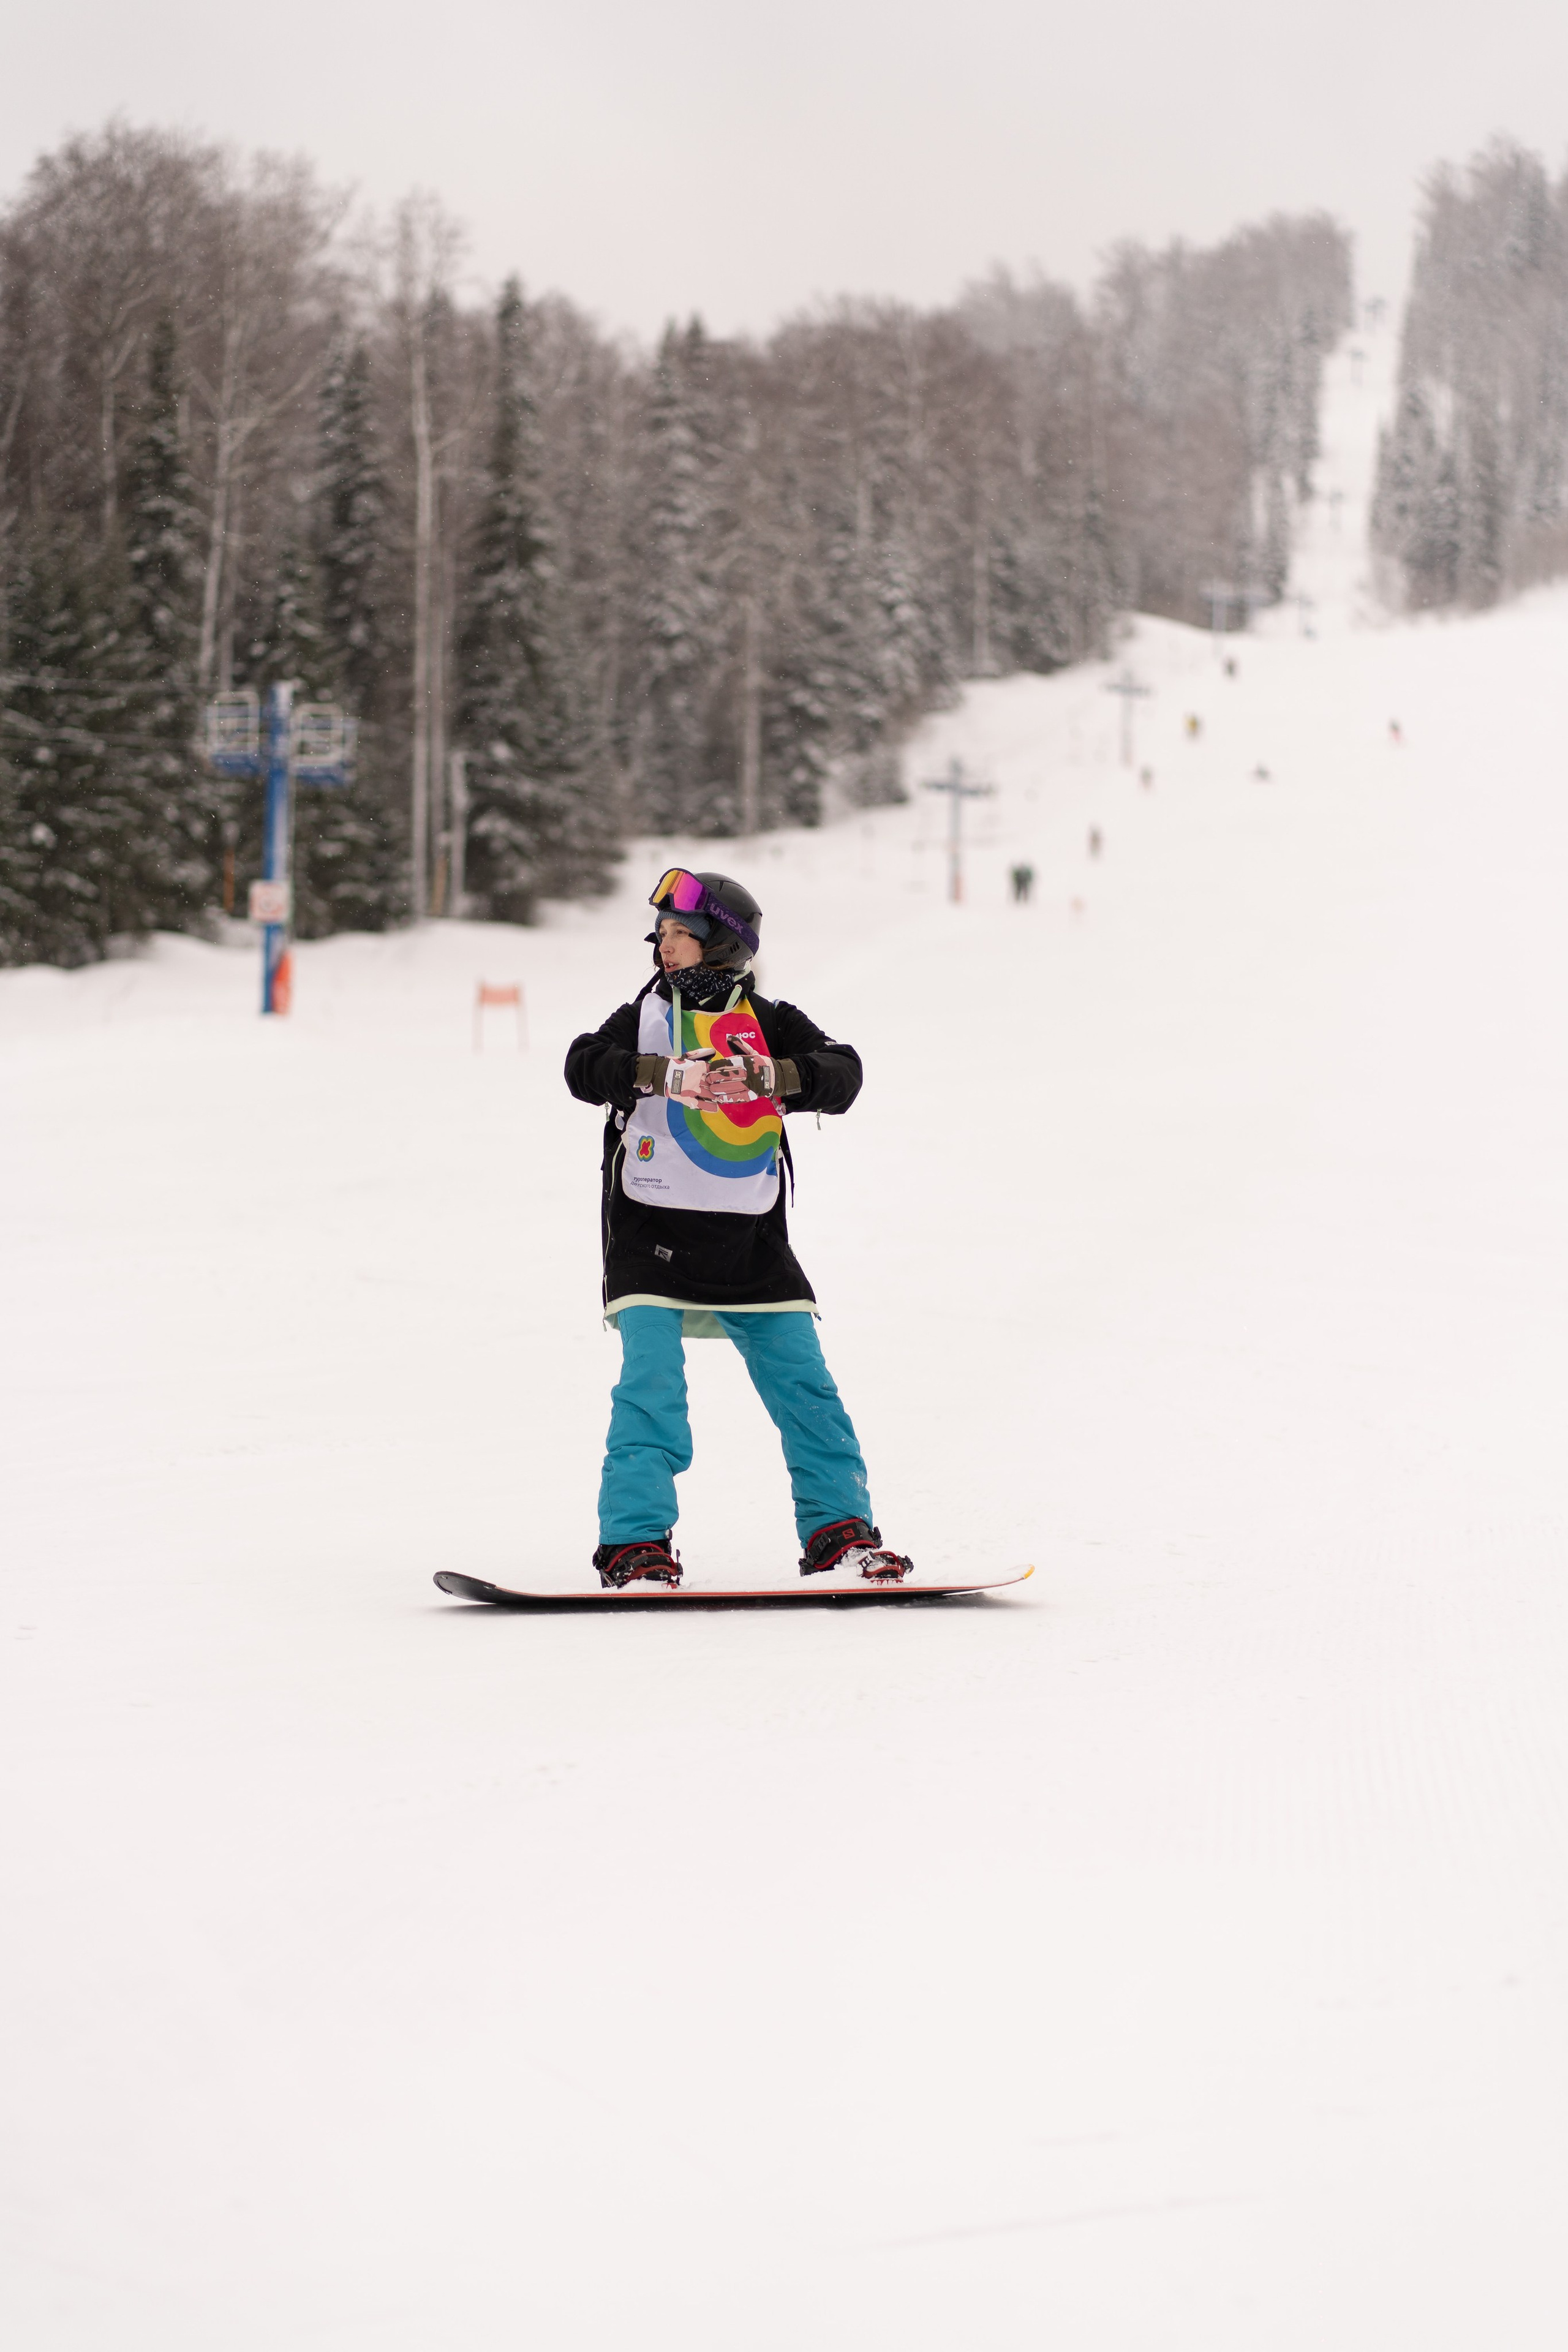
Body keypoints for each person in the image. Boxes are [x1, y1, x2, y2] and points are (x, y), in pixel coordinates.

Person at [564, 869, 911, 1591]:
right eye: (660, 932)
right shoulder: (640, 1019)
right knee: (650, 1389)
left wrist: (774, 1077)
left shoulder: (771, 1018)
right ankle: (634, 1544)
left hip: (750, 1245)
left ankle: (838, 1532)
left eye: (681, 933)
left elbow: (843, 1074)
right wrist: (658, 1076)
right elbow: (581, 1066)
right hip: (649, 1241)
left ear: (722, 941)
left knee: (806, 1390)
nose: (665, 945)